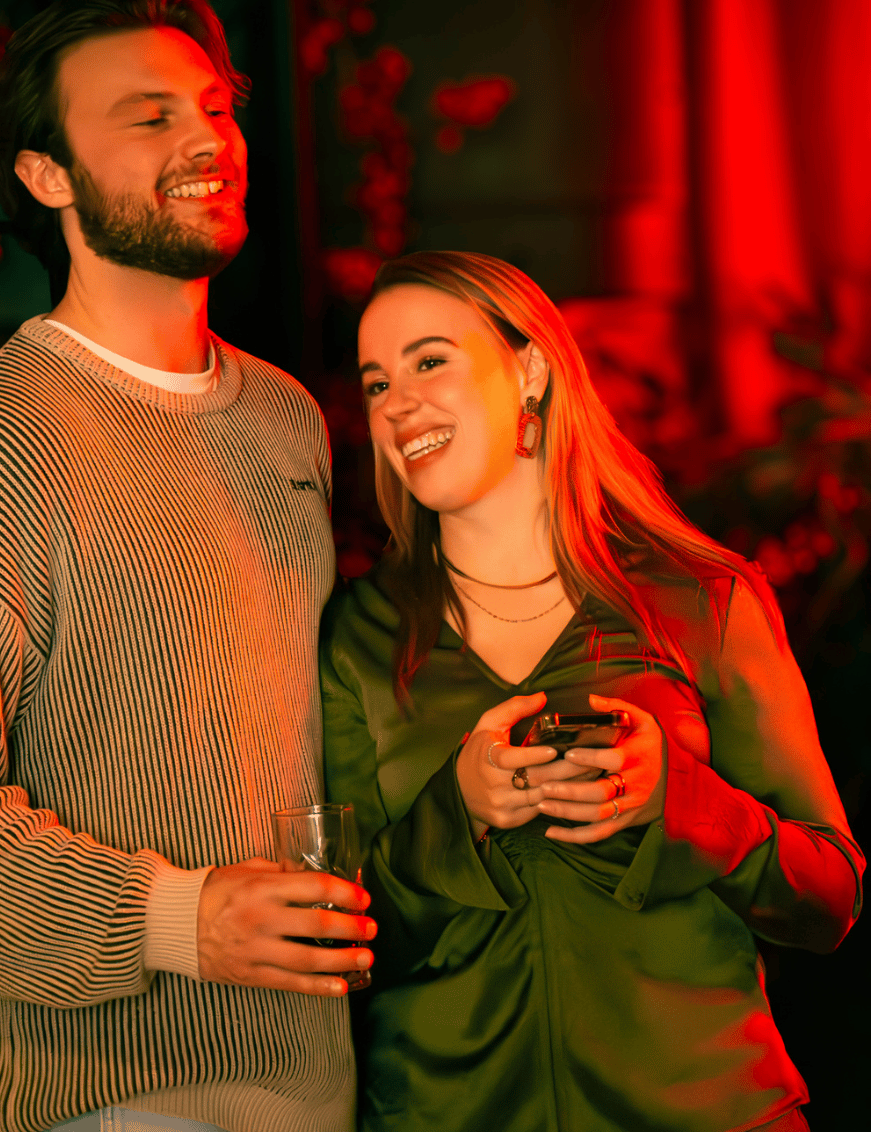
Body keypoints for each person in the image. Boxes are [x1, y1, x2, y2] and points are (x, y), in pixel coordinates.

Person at [0, 0, 376, 1132]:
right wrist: (175, 921)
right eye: (149, 117)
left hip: (312, 1073)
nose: (206, 141)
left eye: (214, 108)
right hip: (104, 1102)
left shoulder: (285, 420)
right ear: (46, 177)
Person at [320, 251, 864, 1132]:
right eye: (376, 382)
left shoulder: (704, 598)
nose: (397, 402)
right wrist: (456, 810)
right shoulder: (358, 635)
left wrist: (675, 800)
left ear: (530, 370)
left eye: (429, 361)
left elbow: (830, 897)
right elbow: (339, 942)